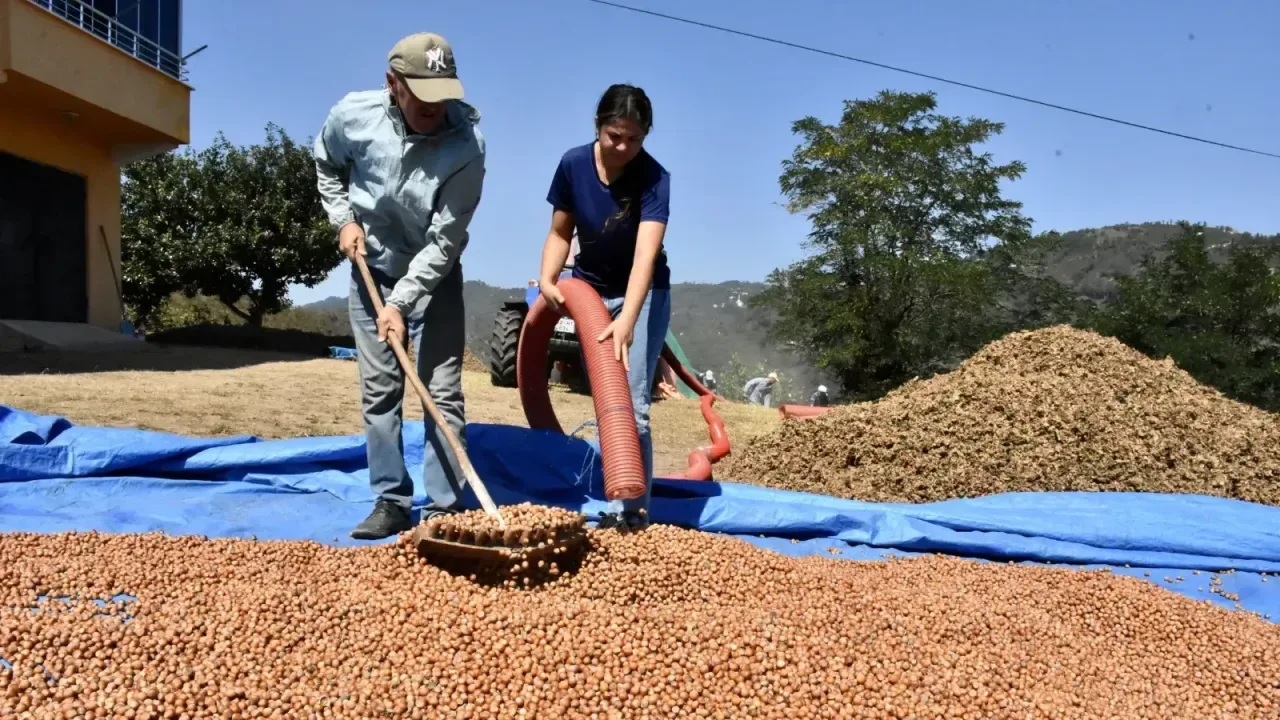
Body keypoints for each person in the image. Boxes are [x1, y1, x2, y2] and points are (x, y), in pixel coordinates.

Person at [313, 32, 486, 540]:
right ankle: (390, 499)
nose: (436, 107)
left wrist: (402, 303)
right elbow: (326, 164)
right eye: (423, 94)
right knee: (380, 391)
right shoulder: (352, 116)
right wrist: (343, 219)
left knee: (443, 391)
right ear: (394, 84)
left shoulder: (467, 147)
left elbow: (445, 240)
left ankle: (444, 510)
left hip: (435, 276)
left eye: (443, 94)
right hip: (373, 270)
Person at [537, 83, 671, 531]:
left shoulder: (654, 178)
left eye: (635, 139)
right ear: (599, 126)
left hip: (643, 291)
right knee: (603, 402)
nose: (624, 147)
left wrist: (628, 320)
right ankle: (616, 500)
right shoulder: (574, 164)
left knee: (632, 406)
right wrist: (547, 279)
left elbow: (645, 257)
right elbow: (560, 232)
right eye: (616, 136)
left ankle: (634, 514)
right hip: (589, 288)